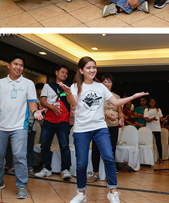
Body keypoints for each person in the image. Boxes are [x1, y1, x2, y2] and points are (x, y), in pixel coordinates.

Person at [59, 56, 148, 203]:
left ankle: (113, 192)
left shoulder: (100, 87)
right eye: (88, 67)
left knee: (108, 157)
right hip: (81, 129)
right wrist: (68, 92)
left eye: (94, 67)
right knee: (81, 163)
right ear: (81, 70)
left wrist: (133, 96)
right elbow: (73, 103)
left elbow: (116, 101)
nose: (92, 70)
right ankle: (81, 193)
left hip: (100, 127)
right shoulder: (75, 87)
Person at [0, 55, 46, 199]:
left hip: (19, 126)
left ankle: (22, 185)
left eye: (21, 65)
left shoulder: (28, 83)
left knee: (19, 156)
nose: (18, 67)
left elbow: (31, 102)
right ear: (8, 65)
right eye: (15, 64)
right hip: (0, 126)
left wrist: (35, 111)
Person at [34, 65, 73, 180]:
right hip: (49, 120)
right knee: (45, 146)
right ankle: (46, 169)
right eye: (62, 72)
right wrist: (52, 107)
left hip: (64, 121)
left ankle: (65, 169)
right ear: (56, 72)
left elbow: (73, 101)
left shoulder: (69, 87)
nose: (64, 75)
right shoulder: (48, 86)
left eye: (66, 73)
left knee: (64, 146)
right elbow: (42, 101)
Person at [89, 73, 124, 182]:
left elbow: (120, 111)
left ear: (112, 84)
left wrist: (121, 118)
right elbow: (93, 110)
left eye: (109, 82)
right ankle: (95, 174)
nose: (107, 84)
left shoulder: (116, 97)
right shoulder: (97, 95)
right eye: (105, 82)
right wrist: (106, 115)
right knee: (96, 149)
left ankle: (109, 174)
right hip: (99, 125)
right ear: (101, 84)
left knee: (111, 149)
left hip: (113, 126)